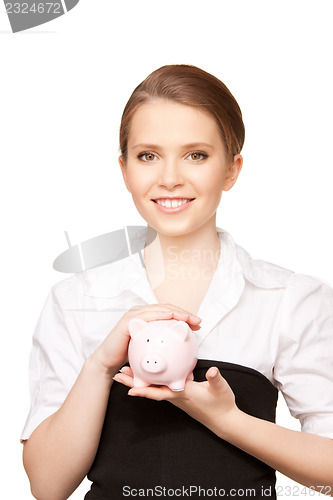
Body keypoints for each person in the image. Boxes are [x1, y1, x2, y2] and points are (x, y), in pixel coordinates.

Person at [21, 65, 333, 500]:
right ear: (125, 169)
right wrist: (100, 365)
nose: (169, 178)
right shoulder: (76, 300)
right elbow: (47, 486)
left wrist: (227, 420)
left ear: (232, 169)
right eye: (148, 155)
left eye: (196, 155)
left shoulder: (290, 299)